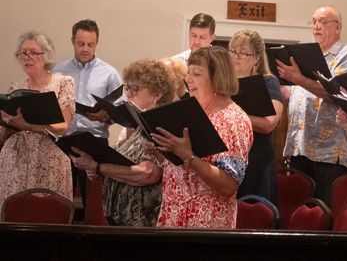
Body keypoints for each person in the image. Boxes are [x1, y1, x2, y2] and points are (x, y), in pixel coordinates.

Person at [152, 46, 253, 228]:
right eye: (189, 72)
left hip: (205, 227)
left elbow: (229, 185)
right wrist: (161, 151)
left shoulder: (234, 120)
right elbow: (182, 171)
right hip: (174, 221)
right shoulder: (191, 112)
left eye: (196, 73)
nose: (188, 79)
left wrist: (189, 157)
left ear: (217, 78)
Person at [70, 59, 176, 226]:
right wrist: (97, 169)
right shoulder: (134, 126)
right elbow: (118, 164)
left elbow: (147, 174)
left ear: (157, 95)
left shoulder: (160, 127)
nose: (129, 93)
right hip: (119, 219)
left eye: (136, 88)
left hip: (143, 221)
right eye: (128, 87)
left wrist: (98, 167)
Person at [277, 5, 347, 206]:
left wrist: (297, 79)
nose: (316, 26)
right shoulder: (307, 54)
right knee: (301, 212)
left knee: (326, 212)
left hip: (331, 153)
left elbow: (338, 94)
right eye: (314, 21)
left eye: (323, 22)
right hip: (301, 147)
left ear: (338, 27)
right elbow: (303, 94)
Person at [0, 30, 75, 207]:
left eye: (33, 52)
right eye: (23, 53)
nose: (27, 57)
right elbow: (8, 128)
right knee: (15, 212)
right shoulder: (16, 86)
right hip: (16, 159)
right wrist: (8, 123)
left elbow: (63, 127)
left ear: (46, 56)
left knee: (47, 212)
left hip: (49, 159)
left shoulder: (63, 83)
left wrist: (28, 125)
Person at [54, 19, 122, 207]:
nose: (85, 49)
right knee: (61, 195)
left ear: (97, 43)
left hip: (95, 140)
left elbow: (120, 108)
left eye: (90, 44)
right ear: (72, 41)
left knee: (94, 200)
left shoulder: (110, 73)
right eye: (81, 43)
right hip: (64, 138)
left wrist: (106, 115)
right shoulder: (58, 71)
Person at [228, 30, 284, 205]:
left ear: (256, 58)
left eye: (243, 53)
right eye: (233, 51)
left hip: (256, 163)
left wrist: (233, 112)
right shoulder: (223, 83)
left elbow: (269, 123)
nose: (235, 57)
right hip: (228, 162)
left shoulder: (268, 82)